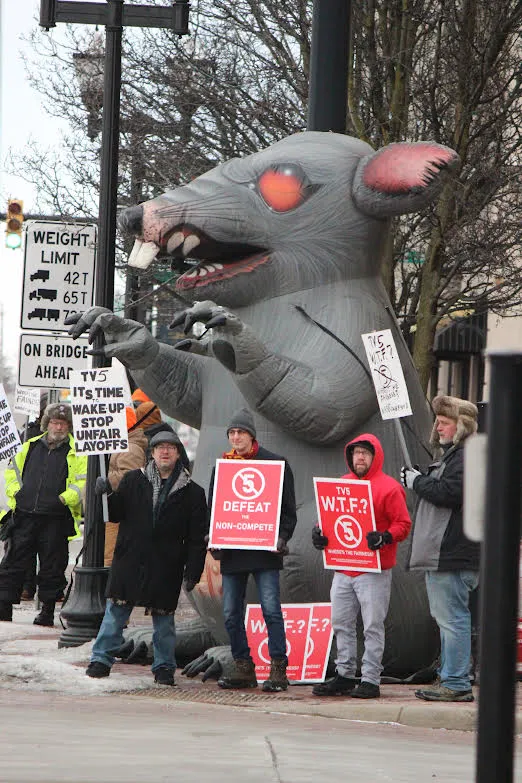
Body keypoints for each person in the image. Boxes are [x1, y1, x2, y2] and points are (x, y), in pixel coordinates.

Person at [86, 430, 208, 685]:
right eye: (160, 447)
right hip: (130, 560)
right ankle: (100, 660)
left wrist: (193, 571)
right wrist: (106, 493)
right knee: (115, 614)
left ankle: (164, 667)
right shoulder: (133, 480)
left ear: (177, 453)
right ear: (151, 453)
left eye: (170, 448)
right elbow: (116, 514)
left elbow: (197, 538)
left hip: (166, 565)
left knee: (164, 623)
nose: (165, 452)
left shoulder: (193, 492)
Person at [312, 434, 411, 699]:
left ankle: (370, 679)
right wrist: (320, 536)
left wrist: (385, 537)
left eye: (365, 453)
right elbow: (330, 518)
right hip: (343, 567)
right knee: (341, 623)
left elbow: (403, 524)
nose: (359, 458)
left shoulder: (389, 487)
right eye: (356, 453)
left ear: (375, 456)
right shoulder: (342, 483)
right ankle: (344, 674)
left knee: (372, 626)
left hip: (373, 569)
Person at [207, 408, 297, 693]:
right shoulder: (222, 467)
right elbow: (215, 510)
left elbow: (287, 510)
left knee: (271, 610)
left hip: (264, 552)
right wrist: (214, 537)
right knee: (231, 613)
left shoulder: (275, 464)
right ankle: (243, 666)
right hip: (233, 552)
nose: (236, 438)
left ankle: (279, 668)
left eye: (241, 433)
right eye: (232, 433)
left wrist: (282, 537)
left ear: (251, 435)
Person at [401, 395, 480, 703]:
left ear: (461, 426)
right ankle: (450, 676)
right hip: (451, 553)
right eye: (438, 422)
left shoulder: (464, 457)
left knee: (453, 619)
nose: (438, 427)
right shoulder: (459, 456)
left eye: (445, 423)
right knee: (450, 618)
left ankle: (456, 681)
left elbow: (450, 493)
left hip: (452, 554)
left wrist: (418, 481)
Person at [0, 403, 86, 626]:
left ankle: (47, 611)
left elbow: (82, 481)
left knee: (52, 567)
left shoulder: (77, 451)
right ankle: (4, 608)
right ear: (47, 424)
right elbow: (12, 473)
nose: (58, 427)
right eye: (55, 422)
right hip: (24, 516)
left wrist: (64, 499)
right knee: (12, 563)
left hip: (56, 519)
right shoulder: (29, 446)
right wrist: (16, 494)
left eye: (63, 423)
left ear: (69, 426)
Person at [103, 406, 148, 567]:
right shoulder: (122, 444)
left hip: (119, 511)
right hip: (114, 509)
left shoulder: (131, 448)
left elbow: (129, 478)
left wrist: (103, 479)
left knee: (110, 557)